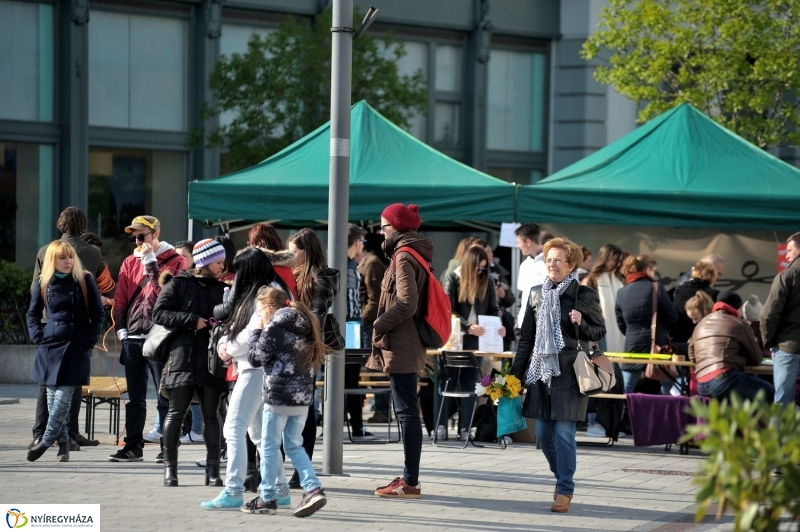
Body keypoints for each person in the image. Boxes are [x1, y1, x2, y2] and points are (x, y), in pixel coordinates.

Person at [511, 237, 606, 513]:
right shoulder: (535, 292)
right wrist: (515, 377)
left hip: (570, 372)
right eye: (548, 259)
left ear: (571, 264)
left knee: (564, 434)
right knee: (542, 434)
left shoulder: (584, 295)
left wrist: (582, 322)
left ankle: (565, 488)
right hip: (540, 372)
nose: (551, 264)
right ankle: (560, 477)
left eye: (557, 260)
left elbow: (599, 332)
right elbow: (526, 339)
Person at [201, 248, 294, 510]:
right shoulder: (269, 289)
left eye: (241, 269)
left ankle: (233, 490)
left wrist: (226, 348)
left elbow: (253, 330)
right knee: (259, 434)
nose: (237, 274)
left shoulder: (266, 294)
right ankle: (280, 490)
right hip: (256, 367)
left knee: (234, 427)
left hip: (255, 369)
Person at [28, 208, 114, 452]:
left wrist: (38, 332)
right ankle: (70, 434)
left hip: (49, 324)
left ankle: (41, 433)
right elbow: (102, 290)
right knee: (73, 382)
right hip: (80, 326)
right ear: (83, 226)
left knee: (47, 383)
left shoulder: (45, 251)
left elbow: (35, 289)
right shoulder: (92, 253)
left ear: (60, 224)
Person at [243, 287, 328, 517]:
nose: (260, 314)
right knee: (294, 446)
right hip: (301, 398)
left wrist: (256, 331)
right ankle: (312, 488)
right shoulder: (304, 322)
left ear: (269, 307)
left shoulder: (276, 325)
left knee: (270, 447)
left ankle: (267, 497)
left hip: (278, 397)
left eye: (260, 309)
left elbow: (255, 357)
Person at [109, 215, 186, 462]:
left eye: (142, 236)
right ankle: (133, 446)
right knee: (135, 397)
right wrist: (121, 328)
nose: (137, 240)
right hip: (132, 334)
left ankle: (167, 447)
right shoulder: (129, 261)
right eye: (134, 236)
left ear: (155, 234)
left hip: (159, 335)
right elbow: (120, 298)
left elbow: (163, 293)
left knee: (164, 394)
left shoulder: (176, 260)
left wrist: (150, 262)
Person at [368, 203, 432, 499]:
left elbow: (407, 302)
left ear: (397, 227)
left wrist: (379, 323)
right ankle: (410, 478)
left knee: (406, 413)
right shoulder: (411, 252)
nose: (381, 230)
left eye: (384, 225)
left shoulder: (404, 255)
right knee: (407, 411)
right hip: (407, 343)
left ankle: (410, 481)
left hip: (402, 345)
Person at [153, 239, 229, 486]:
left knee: (211, 414)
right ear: (205, 262)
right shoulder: (179, 283)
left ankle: (213, 470)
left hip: (211, 359)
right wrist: (190, 319)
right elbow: (159, 313)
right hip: (182, 355)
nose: (222, 266)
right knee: (176, 413)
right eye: (218, 262)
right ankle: (170, 469)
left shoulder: (223, 288)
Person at [286, 227, 338, 488]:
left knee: (305, 409)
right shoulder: (291, 274)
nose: (290, 255)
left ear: (306, 252)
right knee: (288, 408)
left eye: (293, 251)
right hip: (288, 348)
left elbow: (315, 317)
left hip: (306, 350)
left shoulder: (319, 280)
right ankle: (291, 467)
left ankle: (301, 470)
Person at [442, 245, 505, 440]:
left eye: (485, 268)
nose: (481, 271)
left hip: (477, 339)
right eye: (479, 267)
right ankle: (441, 426)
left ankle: (465, 428)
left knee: (471, 384)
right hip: (454, 338)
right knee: (449, 382)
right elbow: (447, 308)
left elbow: (494, 309)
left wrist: (498, 326)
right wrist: (467, 326)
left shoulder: (488, 282)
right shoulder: (454, 277)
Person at [689, 291, 774, 402]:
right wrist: (740, 359)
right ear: (737, 308)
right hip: (724, 379)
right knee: (774, 395)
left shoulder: (701, 324)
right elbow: (756, 358)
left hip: (701, 384)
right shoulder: (739, 323)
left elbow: (691, 353)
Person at [614, 255, 678, 395]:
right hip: (657, 344)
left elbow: (621, 323)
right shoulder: (656, 287)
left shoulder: (621, 292)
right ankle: (669, 416)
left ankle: (623, 415)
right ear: (648, 269)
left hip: (632, 344)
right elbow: (672, 316)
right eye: (654, 270)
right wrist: (663, 330)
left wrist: (633, 333)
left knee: (626, 388)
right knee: (669, 386)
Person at [761, 232, 800, 410]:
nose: (787, 255)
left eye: (790, 250)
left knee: (782, 403)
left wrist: (768, 341)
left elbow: (768, 314)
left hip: (788, 347)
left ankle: (779, 439)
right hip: (789, 346)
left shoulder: (788, 275)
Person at [343, 224, 375, 440]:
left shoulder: (351, 265)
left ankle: (355, 425)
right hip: (346, 326)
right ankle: (350, 425)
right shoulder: (343, 265)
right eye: (362, 241)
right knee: (345, 378)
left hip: (352, 325)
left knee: (351, 377)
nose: (363, 245)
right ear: (354, 242)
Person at [358, 232, 390, 423]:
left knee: (376, 368)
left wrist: (361, 319)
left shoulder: (371, 264)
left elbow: (374, 299)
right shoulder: (368, 262)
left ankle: (383, 410)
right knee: (368, 369)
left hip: (369, 324)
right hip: (367, 322)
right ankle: (380, 409)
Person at [582, 244, 626, 352]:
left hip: (618, 327)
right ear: (605, 258)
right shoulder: (592, 279)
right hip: (600, 328)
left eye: (619, 260)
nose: (617, 264)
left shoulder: (619, 280)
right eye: (614, 260)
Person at [473, 238, 515, 350]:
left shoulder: (499, 271)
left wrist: (503, 295)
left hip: (497, 323)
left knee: (498, 359)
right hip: (477, 324)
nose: (490, 254)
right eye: (486, 252)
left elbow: (511, 300)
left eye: (491, 251)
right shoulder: (469, 274)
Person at [671, 261, 720, 343]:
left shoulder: (679, 290)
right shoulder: (714, 294)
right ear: (713, 275)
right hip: (702, 340)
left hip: (678, 339)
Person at [515, 223, 545, 331]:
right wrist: (517, 323)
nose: (518, 246)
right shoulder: (524, 265)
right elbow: (521, 297)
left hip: (544, 326)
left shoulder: (550, 263)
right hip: (523, 326)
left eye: (519, 242)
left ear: (528, 242)